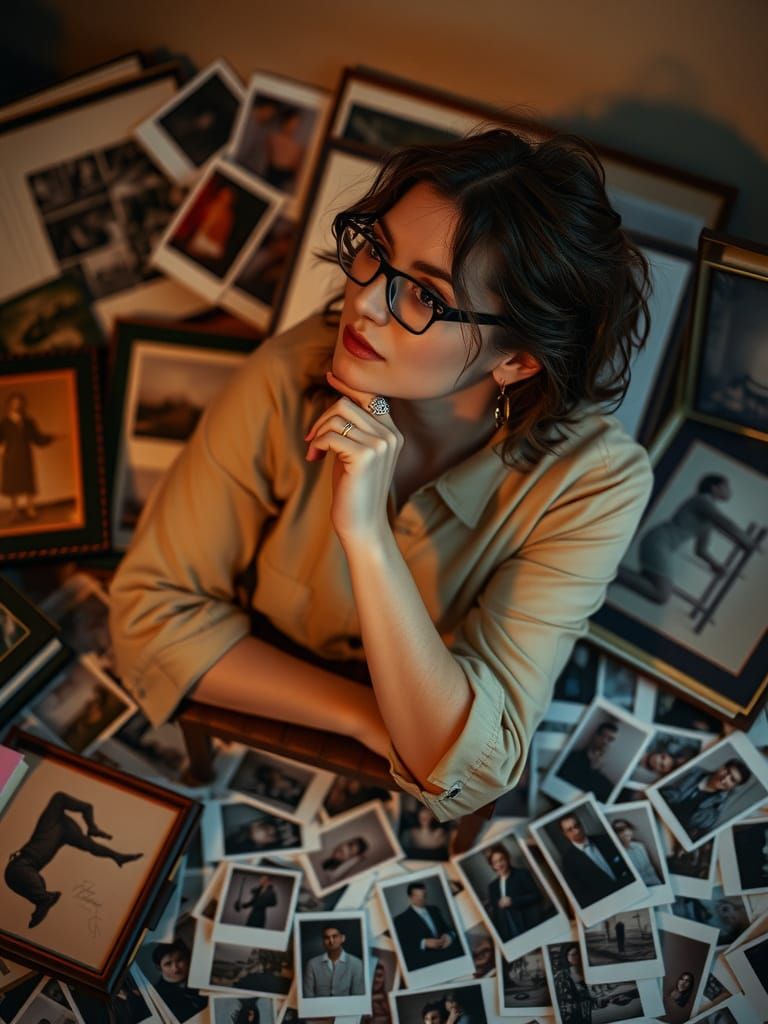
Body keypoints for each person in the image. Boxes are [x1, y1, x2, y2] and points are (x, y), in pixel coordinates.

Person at [110, 127, 654, 822]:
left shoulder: (595, 483)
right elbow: (145, 618)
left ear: (517, 360)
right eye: (374, 252)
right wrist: (366, 715)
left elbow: (476, 766)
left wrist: (366, 535)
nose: (363, 301)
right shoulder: (289, 373)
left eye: (425, 296)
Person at [4, 791, 142, 928]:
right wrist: (92, 826)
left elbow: (92, 845)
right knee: (15, 874)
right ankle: (44, 899)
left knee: (15, 873)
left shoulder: (66, 831)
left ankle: (44, 899)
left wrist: (116, 855)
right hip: (25, 867)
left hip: (25, 866)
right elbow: (66, 800)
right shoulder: (55, 820)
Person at [615, 474, 754, 605]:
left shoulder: (708, 518)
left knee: (655, 590)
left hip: (661, 544)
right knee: (661, 594)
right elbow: (725, 523)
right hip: (659, 541)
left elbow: (701, 550)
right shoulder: (702, 500)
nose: (729, 490)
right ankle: (613, 574)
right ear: (714, 488)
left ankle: (613, 575)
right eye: (726, 486)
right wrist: (748, 541)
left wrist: (715, 564)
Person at [659, 758, 753, 840]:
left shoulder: (717, 807)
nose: (724, 779)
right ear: (722, 767)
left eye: (732, 780)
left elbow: (698, 830)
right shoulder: (694, 772)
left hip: (670, 834)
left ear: (734, 786)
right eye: (727, 771)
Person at [0, 392, 58, 523]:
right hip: (10, 457)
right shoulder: (3, 423)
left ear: (22, 405)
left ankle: (30, 509)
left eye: (19, 403)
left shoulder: (29, 422)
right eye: (14, 403)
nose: (17, 405)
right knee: (12, 484)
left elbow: (37, 438)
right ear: (9, 405)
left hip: (25, 455)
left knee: (28, 483)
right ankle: (14, 512)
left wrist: (52, 437)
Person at [556, 813, 632, 907]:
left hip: (629, 891)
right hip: (607, 904)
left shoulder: (605, 839)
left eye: (577, 825)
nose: (576, 831)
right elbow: (581, 895)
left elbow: (628, 865)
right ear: (565, 834)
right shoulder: (568, 861)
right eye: (570, 830)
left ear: (581, 824)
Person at [484, 842, 547, 941]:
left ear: (507, 859)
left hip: (527, 923)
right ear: (492, 866)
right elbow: (496, 914)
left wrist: (513, 901)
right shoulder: (492, 886)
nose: (499, 864)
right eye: (495, 862)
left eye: (501, 859)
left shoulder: (522, 874)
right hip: (508, 930)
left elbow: (537, 895)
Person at [393, 881, 457, 972]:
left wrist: (449, 936)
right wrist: (423, 943)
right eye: (417, 896)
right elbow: (402, 946)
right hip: (425, 966)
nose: (422, 899)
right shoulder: (400, 919)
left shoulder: (435, 910)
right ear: (410, 898)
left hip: (448, 960)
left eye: (424, 895)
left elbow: (449, 929)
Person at [557, 721, 619, 801]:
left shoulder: (604, 781)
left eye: (610, 739)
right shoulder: (572, 757)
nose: (605, 741)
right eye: (603, 736)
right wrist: (592, 770)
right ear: (595, 736)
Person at [151, 939, 209, 1022]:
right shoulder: (156, 995)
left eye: (179, 960)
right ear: (159, 968)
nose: (175, 968)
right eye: (168, 964)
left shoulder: (203, 980)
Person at [302, 922, 365, 997]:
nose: (331, 941)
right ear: (323, 941)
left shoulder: (357, 964)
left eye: (334, 936)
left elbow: (358, 997)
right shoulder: (312, 964)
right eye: (326, 938)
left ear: (342, 938)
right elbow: (308, 996)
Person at [610, 818, 662, 886]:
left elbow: (651, 865)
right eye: (620, 830)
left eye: (627, 828)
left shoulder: (640, 846)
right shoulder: (617, 855)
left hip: (656, 882)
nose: (626, 832)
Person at [552, 943, 595, 1024]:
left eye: (575, 954)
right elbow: (561, 1003)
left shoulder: (588, 972)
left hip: (587, 1016)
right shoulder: (561, 977)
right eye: (569, 954)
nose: (572, 957)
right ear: (566, 956)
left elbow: (594, 997)